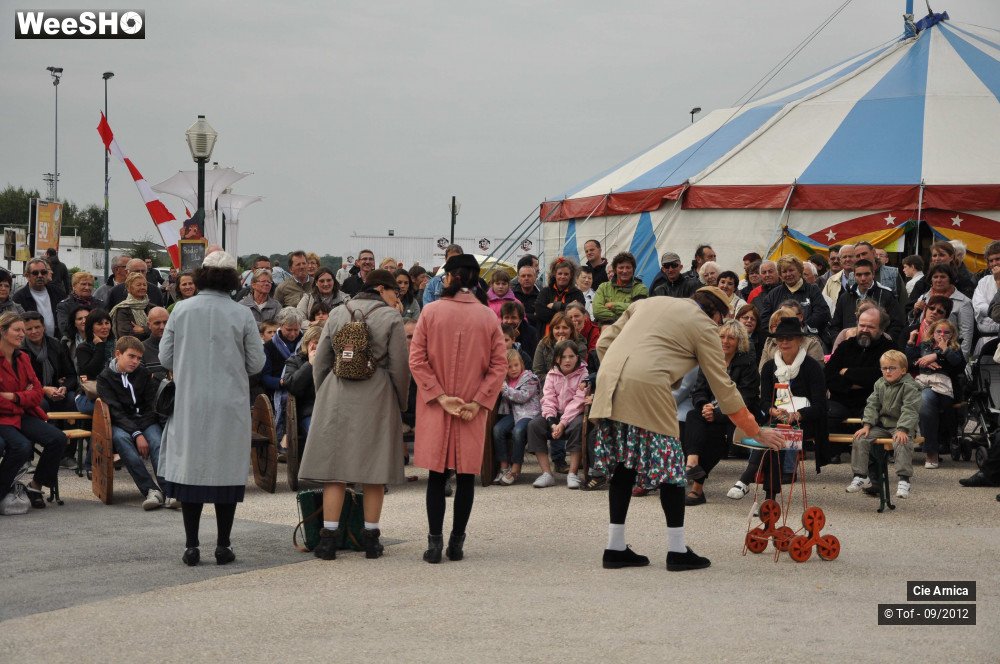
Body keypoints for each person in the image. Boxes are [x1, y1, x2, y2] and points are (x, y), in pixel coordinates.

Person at [590, 287, 784, 571]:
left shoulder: (648, 302)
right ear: (717, 315)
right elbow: (723, 387)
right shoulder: (705, 326)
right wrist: (756, 430)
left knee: (624, 464)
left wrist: (625, 371)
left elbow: (604, 341)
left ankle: (615, 547)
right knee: (672, 470)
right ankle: (677, 551)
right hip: (649, 385)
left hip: (609, 380)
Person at [158, 250, 266, 566]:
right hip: (228, 402)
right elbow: (257, 363)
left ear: (202, 275)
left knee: (191, 469)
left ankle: (191, 546)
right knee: (225, 470)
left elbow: (165, 358)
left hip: (190, 401)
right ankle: (223, 545)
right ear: (233, 279)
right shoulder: (242, 314)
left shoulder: (181, 310)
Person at [298, 269, 408, 559]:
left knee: (335, 471)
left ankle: (328, 539)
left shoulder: (336, 313)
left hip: (338, 389)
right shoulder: (391, 317)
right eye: (395, 291)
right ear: (382, 289)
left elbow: (321, 360)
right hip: (377, 391)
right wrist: (401, 401)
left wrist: (324, 393)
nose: (397, 296)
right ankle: (370, 539)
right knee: (374, 471)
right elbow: (399, 367)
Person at [409, 254, 507, 564]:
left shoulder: (431, 312)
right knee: (466, 476)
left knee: (437, 475)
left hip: (439, 406)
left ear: (449, 278)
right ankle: (457, 543)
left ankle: (434, 543)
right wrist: (479, 400)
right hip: (470, 407)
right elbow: (499, 364)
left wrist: (438, 396)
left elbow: (417, 359)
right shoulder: (489, 316)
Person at [729, 317, 828, 501]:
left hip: (806, 422)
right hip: (777, 420)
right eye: (780, 339)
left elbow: (821, 406)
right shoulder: (769, 367)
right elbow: (764, 401)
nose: (783, 342)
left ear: (799, 340)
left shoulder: (812, 367)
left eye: (789, 338)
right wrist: (773, 411)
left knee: (774, 434)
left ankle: (747, 480)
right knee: (774, 434)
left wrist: (797, 414)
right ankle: (769, 498)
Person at [682, 320, 758, 506]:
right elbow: (698, 391)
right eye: (722, 336)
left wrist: (718, 413)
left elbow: (746, 398)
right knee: (693, 416)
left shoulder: (747, 364)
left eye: (731, 337)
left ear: (739, 341)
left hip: (735, 416)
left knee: (714, 437)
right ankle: (693, 463)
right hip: (710, 412)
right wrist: (704, 405)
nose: (725, 341)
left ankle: (696, 485)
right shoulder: (710, 360)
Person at [0, 312, 67, 510]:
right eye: (17, 330)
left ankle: (35, 486)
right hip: (3, 417)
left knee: (58, 439)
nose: (22, 334)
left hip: (22, 414)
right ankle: (3, 491)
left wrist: (15, 397)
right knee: (21, 446)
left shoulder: (23, 358)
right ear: (3, 331)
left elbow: (38, 392)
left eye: (23, 330)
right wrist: (22, 397)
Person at [98, 336, 173, 510]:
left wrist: (142, 428)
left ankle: (169, 491)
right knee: (123, 443)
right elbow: (115, 412)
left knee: (156, 443)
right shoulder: (105, 378)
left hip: (145, 420)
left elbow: (150, 405)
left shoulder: (144, 374)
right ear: (118, 354)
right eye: (131, 356)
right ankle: (151, 491)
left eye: (139, 358)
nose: (135, 361)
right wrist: (136, 434)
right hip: (120, 424)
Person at [848, 350, 921, 499]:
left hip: (901, 425)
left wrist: (902, 429)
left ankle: (904, 480)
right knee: (860, 438)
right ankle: (861, 475)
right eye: (884, 368)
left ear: (903, 370)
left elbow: (910, 409)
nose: (887, 371)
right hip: (882, 425)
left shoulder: (909, 386)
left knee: (902, 441)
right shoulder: (879, 383)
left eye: (892, 368)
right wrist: (867, 424)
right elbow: (872, 404)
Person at [825, 307, 894, 442]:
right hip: (841, 400)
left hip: (872, 401)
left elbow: (880, 376)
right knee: (827, 413)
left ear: (881, 329)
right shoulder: (845, 346)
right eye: (861, 325)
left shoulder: (889, 348)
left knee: (876, 416)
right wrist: (853, 384)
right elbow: (828, 376)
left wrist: (847, 372)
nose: (864, 330)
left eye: (871, 327)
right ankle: (834, 452)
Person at [526, 340, 588, 489]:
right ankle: (547, 473)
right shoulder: (552, 374)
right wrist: (552, 422)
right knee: (534, 425)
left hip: (573, 415)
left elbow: (578, 402)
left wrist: (562, 423)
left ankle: (572, 473)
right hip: (554, 415)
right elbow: (548, 398)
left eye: (571, 356)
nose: (567, 360)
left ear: (577, 357)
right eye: (563, 356)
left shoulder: (583, 374)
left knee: (579, 425)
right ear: (556, 359)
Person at [905, 319, 966, 469]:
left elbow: (958, 365)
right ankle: (929, 449)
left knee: (927, 401)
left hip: (944, 385)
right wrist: (914, 347)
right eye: (939, 331)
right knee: (922, 399)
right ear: (932, 333)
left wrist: (939, 354)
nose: (942, 335)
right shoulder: (925, 345)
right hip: (924, 382)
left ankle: (932, 450)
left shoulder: (954, 347)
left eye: (947, 332)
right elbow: (909, 359)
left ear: (952, 335)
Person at [491, 349, 540, 486]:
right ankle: (503, 467)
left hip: (528, 413)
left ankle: (515, 468)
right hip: (513, 413)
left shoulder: (530, 378)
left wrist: (505, 390)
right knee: (497, 429)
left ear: (522, 364)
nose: (513, 369)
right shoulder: (504, 381)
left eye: (516, 365)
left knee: (518, 431)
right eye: (509, 367)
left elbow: (523, 396)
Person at [828, 259, 904, 345]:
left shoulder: (886, 295)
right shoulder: (845, 297)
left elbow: (897, 325)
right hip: (849, 347)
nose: (863, 278)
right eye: (859, 275)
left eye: (867, 274)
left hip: (879, 347)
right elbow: (835, 326)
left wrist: (885, 343)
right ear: (854, 276)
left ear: (873, 274)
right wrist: (839, 342)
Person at [910, 264, 975, 357]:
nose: (938, 280)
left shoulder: (964, 302)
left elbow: (966, 335)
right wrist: (915, 312)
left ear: (950, 279)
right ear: (931, 279)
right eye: (935, 277)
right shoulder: (924, 298)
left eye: (943, 277)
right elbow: (916, 324)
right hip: (922, 352)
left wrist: (961, 360)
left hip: (949, 354)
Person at [756, 255, 830, 337]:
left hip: (809, 339)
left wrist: (801, 329)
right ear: (780, 275)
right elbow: (765, 320)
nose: (788, 274)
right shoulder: (773, 294)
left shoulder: (813, 290)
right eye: (784, 271)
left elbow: (822, 313)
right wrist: (780, 333)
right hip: (780, 340)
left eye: (791, 270)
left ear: (800, 271)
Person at [21, 311, 77, 412]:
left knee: (72, 399)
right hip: (33, 392)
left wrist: (64, 388)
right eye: (29, 329)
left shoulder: (55, 345)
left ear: (44, 327)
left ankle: (69, 428)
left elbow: (71, 374)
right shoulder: (19, 350)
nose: (34, 331)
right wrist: (43, 389)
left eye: (37, 327)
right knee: (41, 403)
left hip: (56, 390)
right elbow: (22, 382)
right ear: (23, 331)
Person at [281, 325, 322, 442]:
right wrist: (310, 365)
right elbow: (293, 386)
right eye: (316, 342)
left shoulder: (330, 361)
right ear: (308, 343)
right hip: (308, 412)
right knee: (316, 438)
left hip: (328, 411)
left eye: (321, 343)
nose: (318, 346)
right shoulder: (294, 361)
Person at [532, 312, 587, 392]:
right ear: (552, 329)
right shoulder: (543, 344)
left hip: (572, 390)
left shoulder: (580, 347)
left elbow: (575, 374)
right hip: (547, 389)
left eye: (565, 328)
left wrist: (561, 349)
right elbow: (538, 374)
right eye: (557, 328)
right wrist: (557, 349)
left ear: (571, 330)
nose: (561, 331)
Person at [12, 258, 64, 338]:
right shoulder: (19, 298)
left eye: (43, 272)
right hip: (30, 345)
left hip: (56, 344)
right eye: (35, 273)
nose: (40, 275)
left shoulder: (58, 293)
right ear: (27, 276)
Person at [593, 252, 648, 326]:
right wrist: (619, 320)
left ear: (633, 269)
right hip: (605, 330)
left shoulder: (640, 289)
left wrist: (613, 305)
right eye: (621, 267)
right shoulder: (603, 287)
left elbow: (638, 310)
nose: (625, 271)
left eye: (628, 267)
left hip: (630, 329)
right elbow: (597, 311)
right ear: (615, 270)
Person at [536, 257, 585, 332]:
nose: (562, 277)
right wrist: (567, 309)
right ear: (554, 274)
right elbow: (540, 313)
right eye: (560, 273)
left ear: (571, 275)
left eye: (566, 274)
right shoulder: (545, 291)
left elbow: (579, 312)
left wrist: (556, 305)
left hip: (569, 336)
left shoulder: (577, 293)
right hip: (545, 336)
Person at [971, 241, 1000, 350]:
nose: (994, 263)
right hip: (985, 339)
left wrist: (998, 282)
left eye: (998, 259)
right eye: (991, 261)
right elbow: (978, 306)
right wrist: (995, 312)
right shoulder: (983, 281)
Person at [56, 271, 102, 339]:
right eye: (83, 284)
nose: (87, 287)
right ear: (74, 286)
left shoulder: (100, 304)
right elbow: (64, 328)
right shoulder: (64, 306)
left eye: (90, 285)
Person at [109, 272, 153, 341]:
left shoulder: (152, 308)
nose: (142, 287)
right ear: (129, 288)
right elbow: (125, 336)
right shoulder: (122, 309)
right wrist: (150, 330)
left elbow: (161, 330)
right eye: (138, 285)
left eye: (144, 285)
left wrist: (144, 330)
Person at [822, 244, 854, 310]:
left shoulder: (864, 277)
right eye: (844, 257)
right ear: (841, 260)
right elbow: (824, 305)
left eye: (850, 256)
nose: (847, 259)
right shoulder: (831, 281)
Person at [141, 307, 169, 382]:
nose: (162, 327)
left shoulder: (181, 346)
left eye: (166, 322)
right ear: (149, 325)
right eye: (157, 323)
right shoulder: (141, 349)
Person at [511, 263, 541, 331]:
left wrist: (520, 315)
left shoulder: (541, 295)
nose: (526, 278)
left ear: (535, 277)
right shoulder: (511, 295)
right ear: (518, 278)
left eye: (529, 275)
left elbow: (540, 317)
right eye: (523, 276)